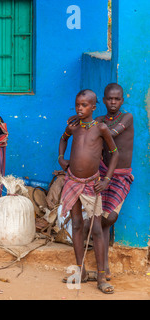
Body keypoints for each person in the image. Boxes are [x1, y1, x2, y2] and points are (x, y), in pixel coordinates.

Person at [67, 83, 134, 282]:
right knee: (100, 223)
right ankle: (103, 269)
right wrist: (78, 127)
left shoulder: (126, 118)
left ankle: (87, 232)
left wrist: (87, 125)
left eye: (117, 99)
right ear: (103, 101)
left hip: (119, 174)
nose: (113, 102)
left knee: (109, 217)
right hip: (101, 173)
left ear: (122, 100)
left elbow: (109, 135)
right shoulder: (98, 121)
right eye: (109, 99)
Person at [58, 89, 119, 294]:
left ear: (93, 107)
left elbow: (114, 153)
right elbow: (63, 139)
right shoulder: (74, 127)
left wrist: (108, 179)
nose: (79, 109)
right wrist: (61, 158)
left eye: (84, 105)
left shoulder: (101, 128)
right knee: (76, 224)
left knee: (95, 229)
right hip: (72, 181)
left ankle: (101, 277)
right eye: (77, 105)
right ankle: (81, 271)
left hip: (92, 185)